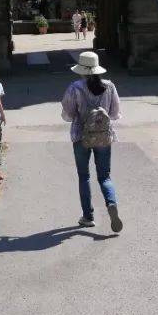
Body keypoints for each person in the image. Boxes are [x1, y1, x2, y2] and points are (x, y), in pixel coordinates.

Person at [60, 51, 123, 232]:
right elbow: (114, 113)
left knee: (84, 175)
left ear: (81, 70)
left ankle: (88, 216)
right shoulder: (109, 86)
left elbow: (68, 114)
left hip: (81, 136)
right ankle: (111, 203)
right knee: (104, 176)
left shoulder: (75, 87)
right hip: (103, 136)